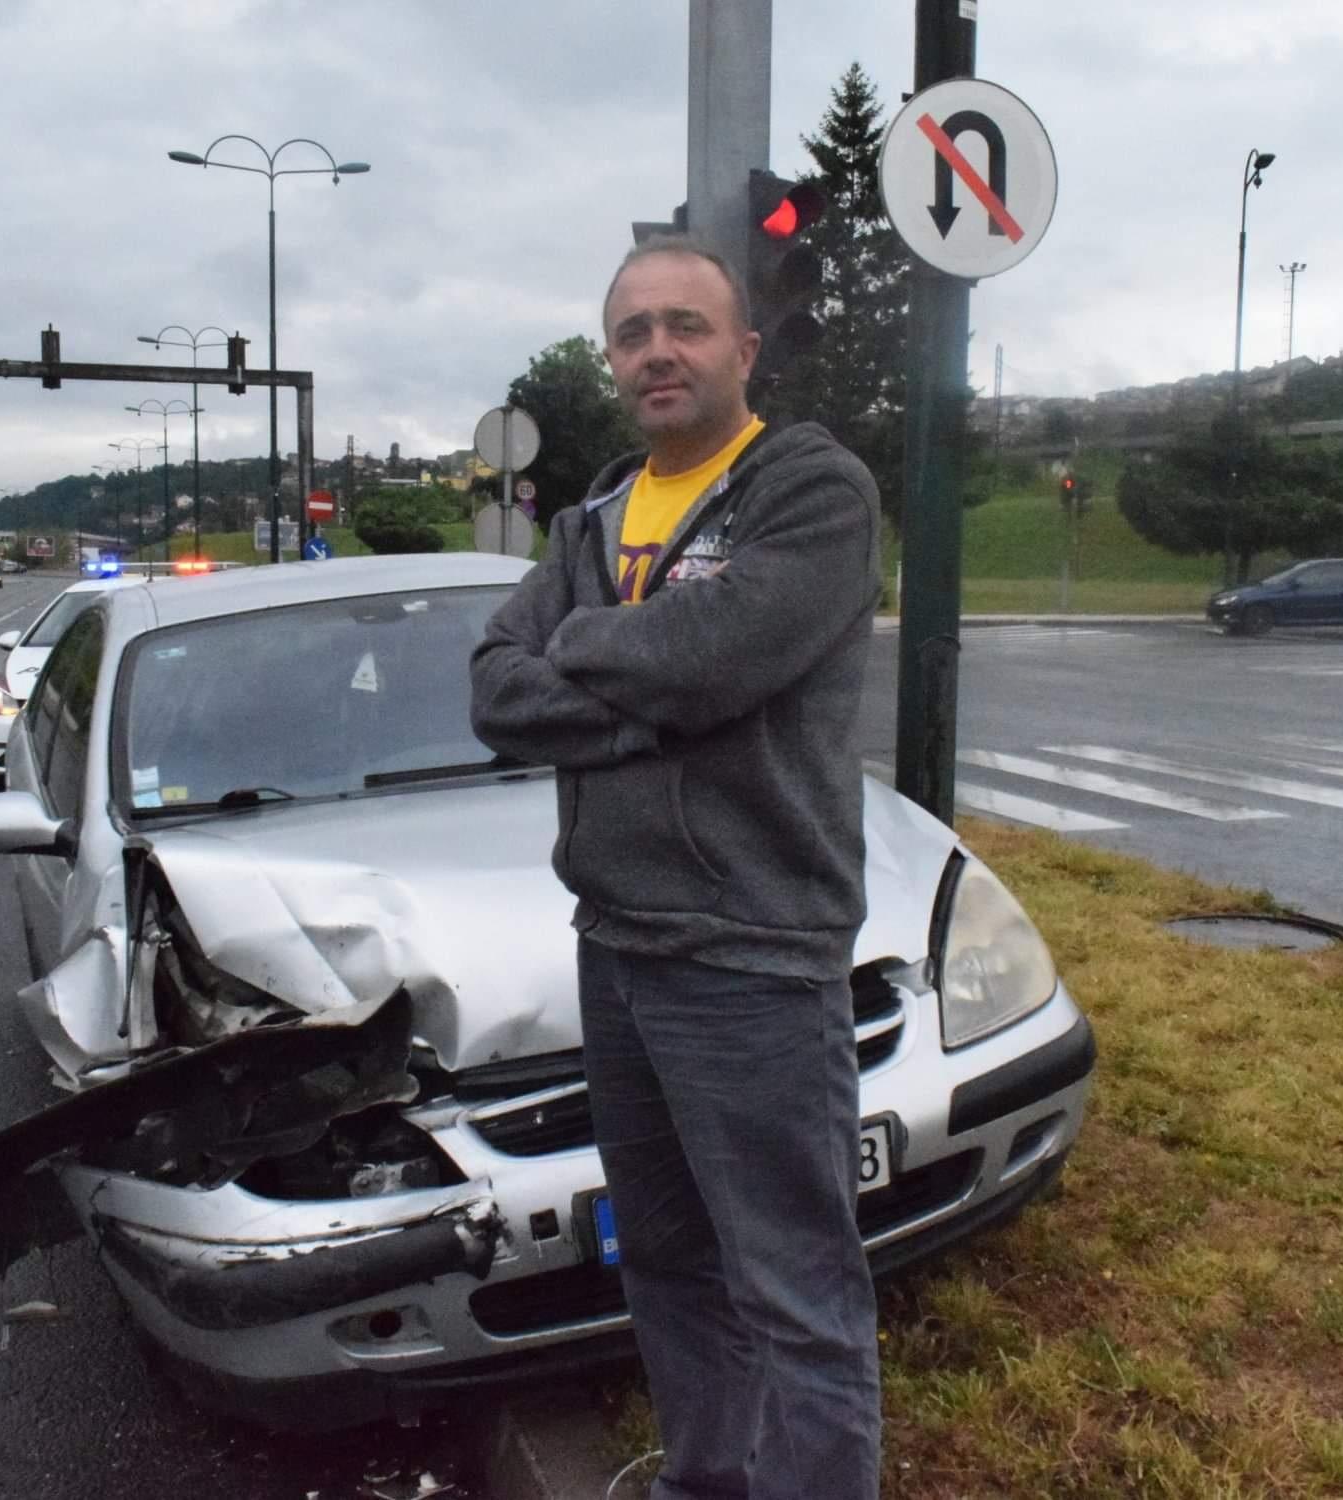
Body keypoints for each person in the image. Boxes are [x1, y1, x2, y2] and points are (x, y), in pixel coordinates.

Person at [470, 238, 884, 1500]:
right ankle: (702, 1483)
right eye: (635, 330)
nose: (660, 349)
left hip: (751, 956)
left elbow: (719, 655)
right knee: (661, 1260)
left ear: (744, 349)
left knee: (794, 1288)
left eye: (688, 326)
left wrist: (593, 649)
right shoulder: (593, 514)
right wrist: (661, 688)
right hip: (620, 947)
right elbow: (497, 689)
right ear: (613, 359)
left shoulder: (807, 487)